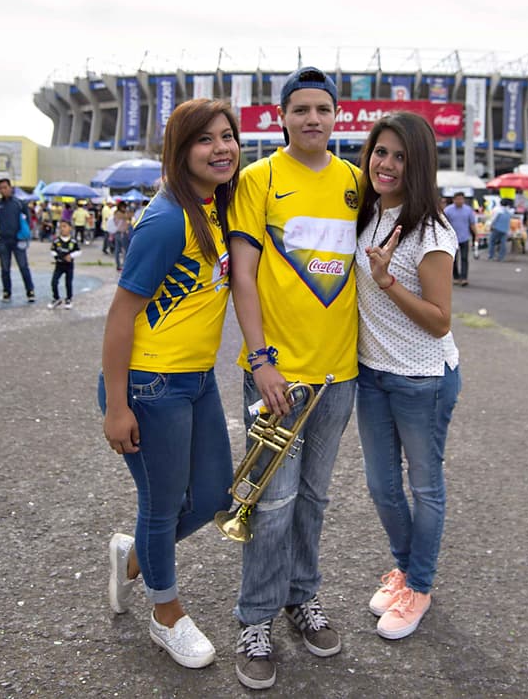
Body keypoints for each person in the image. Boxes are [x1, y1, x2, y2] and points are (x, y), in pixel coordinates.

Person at [227, 67, 362, 690]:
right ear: (281, 116)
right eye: (301, 109)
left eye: (323, 110)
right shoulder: (259, 179)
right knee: (270, 503)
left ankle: (301, 599)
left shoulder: (356, 184)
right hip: (278, 376)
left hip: (340, 375)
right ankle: (254, 619)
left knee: (314, 499)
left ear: (339, 116)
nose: (313, 119)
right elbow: (244, 276)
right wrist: (261, 360)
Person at [99, 98, 240, 670]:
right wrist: (115, 405)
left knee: (212, 496)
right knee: (161, 507)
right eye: (205, 139)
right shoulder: (166, 219)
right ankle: (166, 613)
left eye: (227, 136)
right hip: (150, 385)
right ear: (179, 152)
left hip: (197, 380)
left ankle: (134, 559)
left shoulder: (217, 207)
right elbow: (120, 314)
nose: (221, 148)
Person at [354, 112, 460, 641]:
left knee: (424, 486)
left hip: (423, 378)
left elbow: (440, 319)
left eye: (400, 155)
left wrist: (388, 280)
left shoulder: (433, 230)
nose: (387, 164)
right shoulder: (367, 214)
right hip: (371, 374)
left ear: (418, 164)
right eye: (380, 151)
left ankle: (419, 584)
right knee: (380, 486)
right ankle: (404, 567)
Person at [0, 178, 36, 302]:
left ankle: (30, 291)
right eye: (0, 188)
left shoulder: (19, 203)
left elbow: (28, 219)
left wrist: (24, 233)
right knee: (5, 268)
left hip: (18, 240)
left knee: (23, 266)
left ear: (10, 188)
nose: (3, 190)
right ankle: (7, 292)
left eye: (5, 187)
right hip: (3, 241)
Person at [442, 192, 476, 285]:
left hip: (465, 237)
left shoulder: (468, 210)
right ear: (454, 200)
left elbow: (472, 224)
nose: (460, 201)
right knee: (453, 259)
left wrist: (475, 235)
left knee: (464, 258)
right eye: (458, 199)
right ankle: (456, 277)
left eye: (461, 199)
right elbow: (443, 224)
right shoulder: (448, 210)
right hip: (452, 239)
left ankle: (464, 278)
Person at [48, 220, 81, 309]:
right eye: (61, 227)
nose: (62, 229)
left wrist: (71, 255)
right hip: (59, 265)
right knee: (54, 282)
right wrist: (57, 256)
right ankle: (56, 298)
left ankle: (69, 299)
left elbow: (78, 251)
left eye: (65, 226)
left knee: (68, 283)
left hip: (69, 265)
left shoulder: (73, 241)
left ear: (70, 228)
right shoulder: (56, 241)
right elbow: (52, 250)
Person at [487, 198, 513, 262]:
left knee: (492, 242)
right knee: (503, 244)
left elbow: (493, 219)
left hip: (496, 228)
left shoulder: (497, 210)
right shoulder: (509, 211)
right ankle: (501, 257)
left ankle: (491, 256)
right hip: (505, 230)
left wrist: (490, 226)